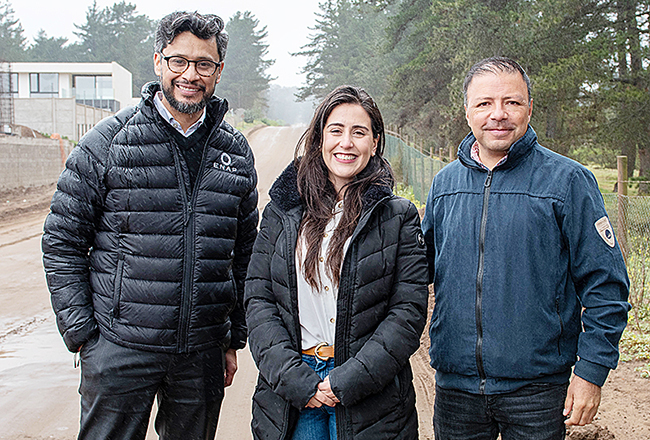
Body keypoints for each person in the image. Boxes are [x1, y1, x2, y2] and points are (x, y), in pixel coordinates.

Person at [41, 11, 258, 440]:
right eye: (179, 61)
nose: (190, 74)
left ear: (219, 71)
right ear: (158, 61)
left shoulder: (236, 153)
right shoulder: (108, 142)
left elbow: (245, 255)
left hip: (200, 355)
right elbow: (62, 241)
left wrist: (232, 338)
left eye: (203, 64)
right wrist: (84, 335)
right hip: (119, 349)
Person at [421, 56, 630, 439]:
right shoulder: (444, 185)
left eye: (511, 102)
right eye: (484, 103)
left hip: (537, 393)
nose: (497, 114)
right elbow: (416, 275)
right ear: (466, 110)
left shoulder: (568, 182)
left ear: (529, 108)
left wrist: (590, 372)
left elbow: (607, 286)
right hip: (456, 390)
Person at [245, 85, 429, 440]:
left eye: (359, 132)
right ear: (319, 138)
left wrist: (346, 380)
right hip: (294, 394)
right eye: (336, 130)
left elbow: (407, 312)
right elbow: (259, 298)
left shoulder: (399, 217)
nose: (346, 142)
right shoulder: (282, 211)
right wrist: (296, 379)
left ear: (375, 143)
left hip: (372, 401)